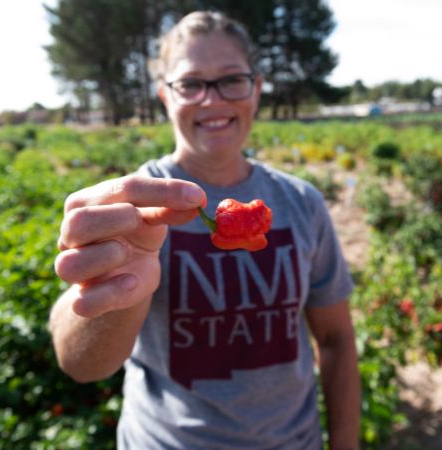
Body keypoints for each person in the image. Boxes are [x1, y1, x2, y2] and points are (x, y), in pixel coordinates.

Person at [48, 11, 360, 449]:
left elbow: (336, 339)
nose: (212, 101)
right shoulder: (135, 210)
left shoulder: (301, 203)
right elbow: (79, 364)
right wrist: (118, 288)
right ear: (164, 95)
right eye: (191, 84)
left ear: (256, 87)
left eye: (231, 80)